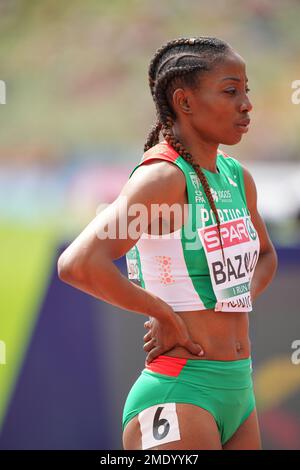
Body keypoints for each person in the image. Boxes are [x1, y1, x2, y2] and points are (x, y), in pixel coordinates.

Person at [57, 36, 278, 450]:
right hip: (180, 392)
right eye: (230, 91)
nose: (246, 104)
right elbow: (79, 263)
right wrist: (161, 312)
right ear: (185, 101)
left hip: (239, 390)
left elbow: (265, 255)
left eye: (246, 91)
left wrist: (238, 296)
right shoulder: (162, 179)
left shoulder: (236, 177)